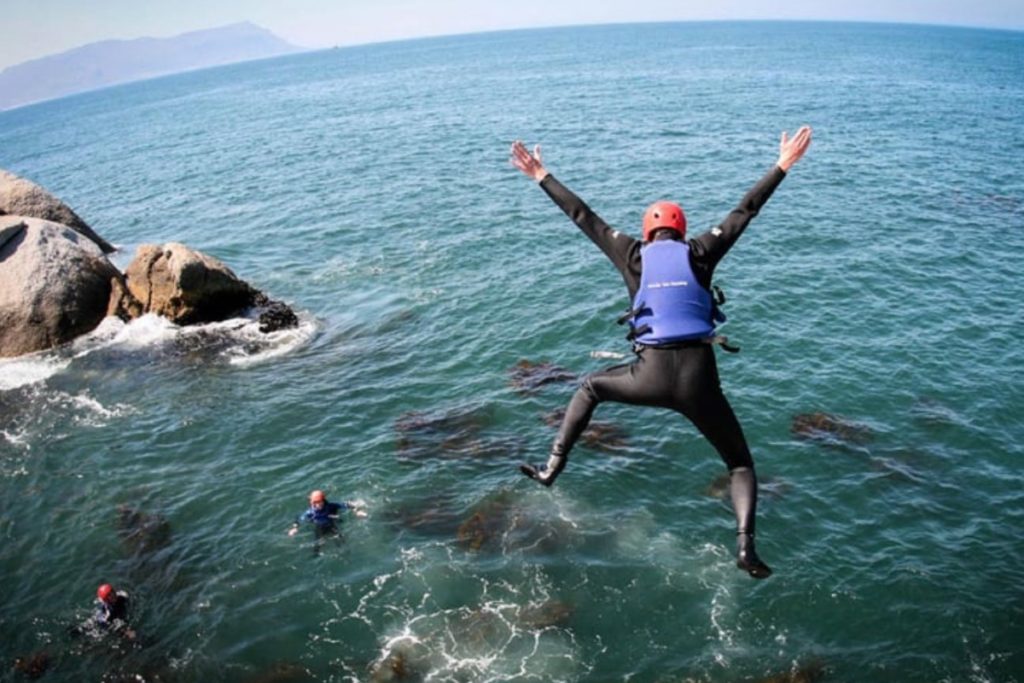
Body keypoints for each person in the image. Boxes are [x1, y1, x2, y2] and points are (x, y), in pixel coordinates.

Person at [509, 126, 813, 579]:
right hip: (698, 383)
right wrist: (782, 165)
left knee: (590, 387)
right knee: (739, 464)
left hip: (647, 378)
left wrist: (541, 175)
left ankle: (552, 468)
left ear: (647, 234)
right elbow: (744, 211)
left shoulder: (632, 254)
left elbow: (583, 216)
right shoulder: (701, 252)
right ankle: (745, 548)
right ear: (681, 231)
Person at [287, 489, 367, 540]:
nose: (319, 504)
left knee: (340, 539)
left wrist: (357, 511)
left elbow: (347, 505)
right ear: (313, 503)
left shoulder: (330, 506)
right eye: (316, 502)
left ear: (323, 500)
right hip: (319, 527)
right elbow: (298, 519)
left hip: (331, 524)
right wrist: (294, 528)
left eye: (320, 501)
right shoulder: (310, 512)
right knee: (318, 546)